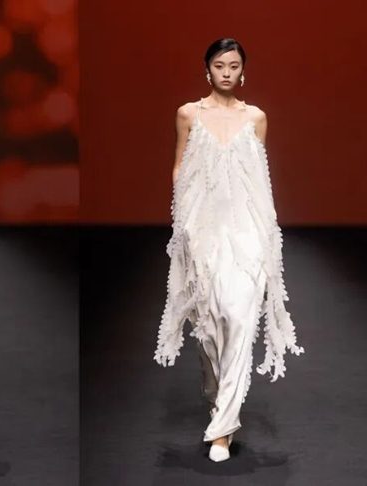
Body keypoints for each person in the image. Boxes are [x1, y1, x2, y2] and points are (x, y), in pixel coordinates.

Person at [154, 38, 304, 463]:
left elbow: (258, 177)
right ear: (207, 70)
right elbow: (180, 166)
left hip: (247, 233)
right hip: (204, 232)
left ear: (243, 71)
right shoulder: (188, 114)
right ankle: (218, 398)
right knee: (209, 324)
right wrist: (184, 224)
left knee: (239, 317)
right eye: (219, 65)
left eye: (233, 65)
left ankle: (222, 430)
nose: (226, 72)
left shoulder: (255, 118)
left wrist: (267, 233)